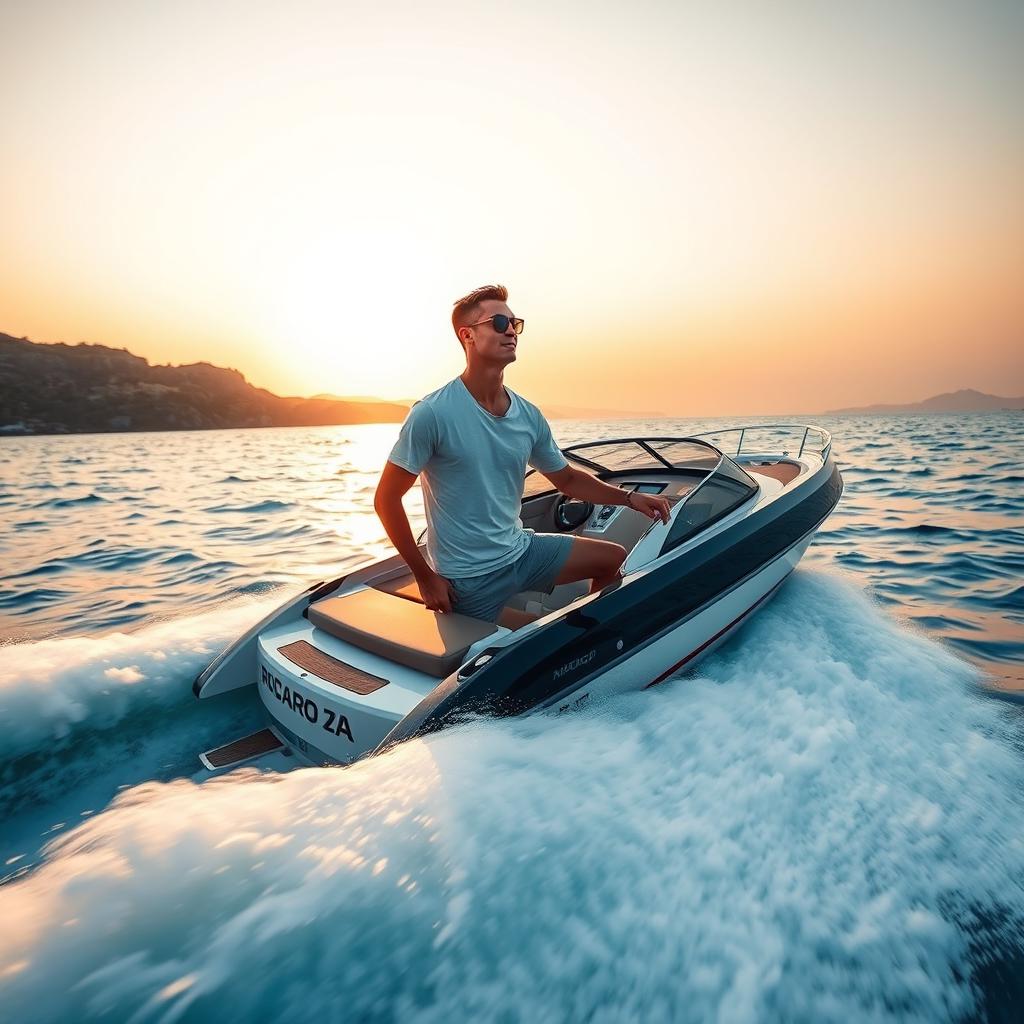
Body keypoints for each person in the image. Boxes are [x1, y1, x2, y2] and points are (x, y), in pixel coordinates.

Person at [373, 284, 671, 622]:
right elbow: (386, 499)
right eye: (499, 323)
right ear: (467, 335)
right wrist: (425, 577)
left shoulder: (528, 415)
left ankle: (583, 648)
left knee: (613, 559)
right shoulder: (433, 414)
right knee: (469, 667)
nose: (511, 331)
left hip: (521, 551)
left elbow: (568, 479)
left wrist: (631, 499)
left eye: (515, 324)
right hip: (468, 578)